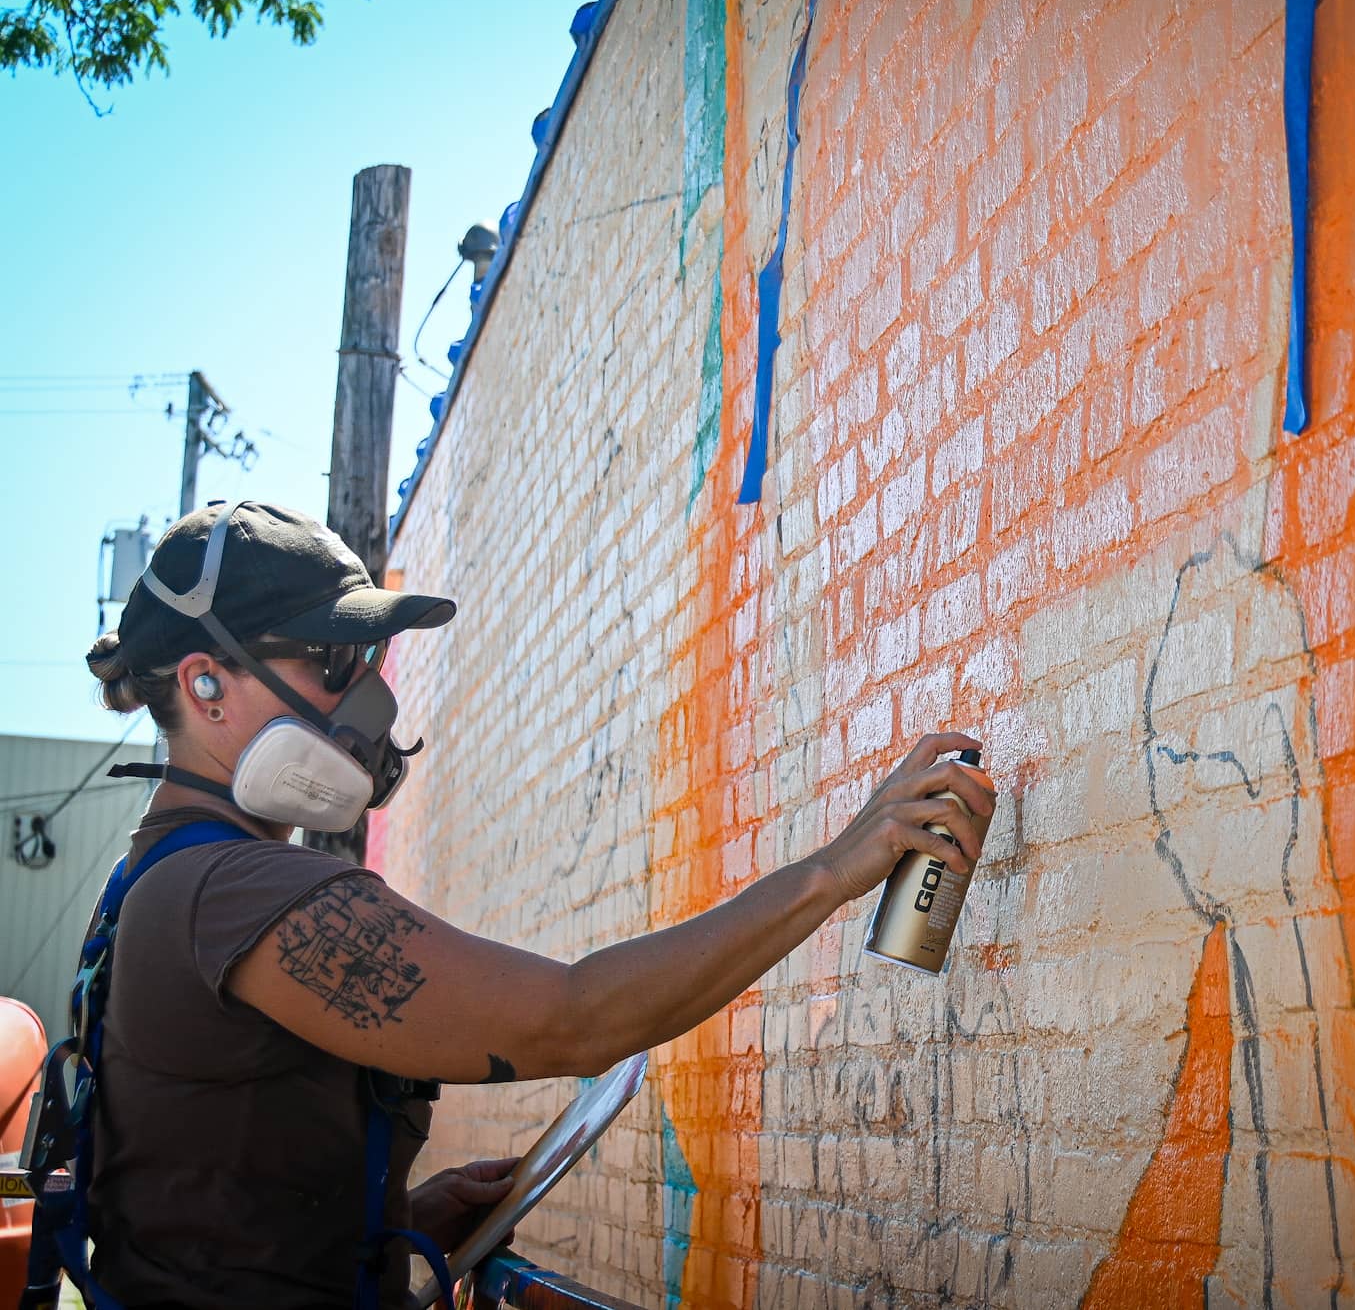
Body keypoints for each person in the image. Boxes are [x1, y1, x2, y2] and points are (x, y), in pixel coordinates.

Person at [69, 500, 994, 1308]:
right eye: (332, 658)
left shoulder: (155, 880)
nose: (369, 697)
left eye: (368, 656)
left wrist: (392, 1218)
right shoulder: (234, 893)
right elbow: (572, 1019)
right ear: (203, 683)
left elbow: (204, 1190)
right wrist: (834, 869)